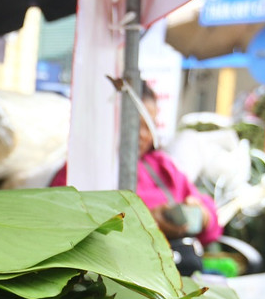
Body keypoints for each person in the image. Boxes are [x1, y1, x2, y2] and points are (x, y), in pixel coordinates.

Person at [52, 83, 221, 274]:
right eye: (134, 124)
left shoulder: (161, 166)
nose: (142, 135)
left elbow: (212, 223)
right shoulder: (81, 169)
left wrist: (201, 215)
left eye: (149, 126)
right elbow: (60, 226)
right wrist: (142, 223)